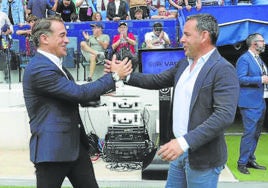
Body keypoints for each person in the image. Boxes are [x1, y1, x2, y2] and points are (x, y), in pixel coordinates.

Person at [105, 13, 239, 188]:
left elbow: (223, 116)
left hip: (201, 158)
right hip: (178, 152)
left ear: (204, 36)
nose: (181, 39)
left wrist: (183, 143)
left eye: (187, 34)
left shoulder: (223, 69)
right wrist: (125, 76)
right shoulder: (184, 64)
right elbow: (156, 80)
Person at [22, 16, 132, 188]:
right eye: (62, 35)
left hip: (74, 147)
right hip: (52, 150)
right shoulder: (39, 68)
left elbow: (73, 96)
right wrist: (114, 76)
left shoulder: (55, 65)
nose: (67, 40)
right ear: (44, 38)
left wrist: (104, 86)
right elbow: (78, 93)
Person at [236, 33, 267, 175]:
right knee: (249, 133)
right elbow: (240, 78)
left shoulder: (258, 58)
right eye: (262, 41)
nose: (264, 43)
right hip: (249, 102)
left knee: (256, 133)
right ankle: (242, 163)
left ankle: (250, 159)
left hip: (260, 101)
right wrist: (261, 79)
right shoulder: (244, 59)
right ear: (254, 43)